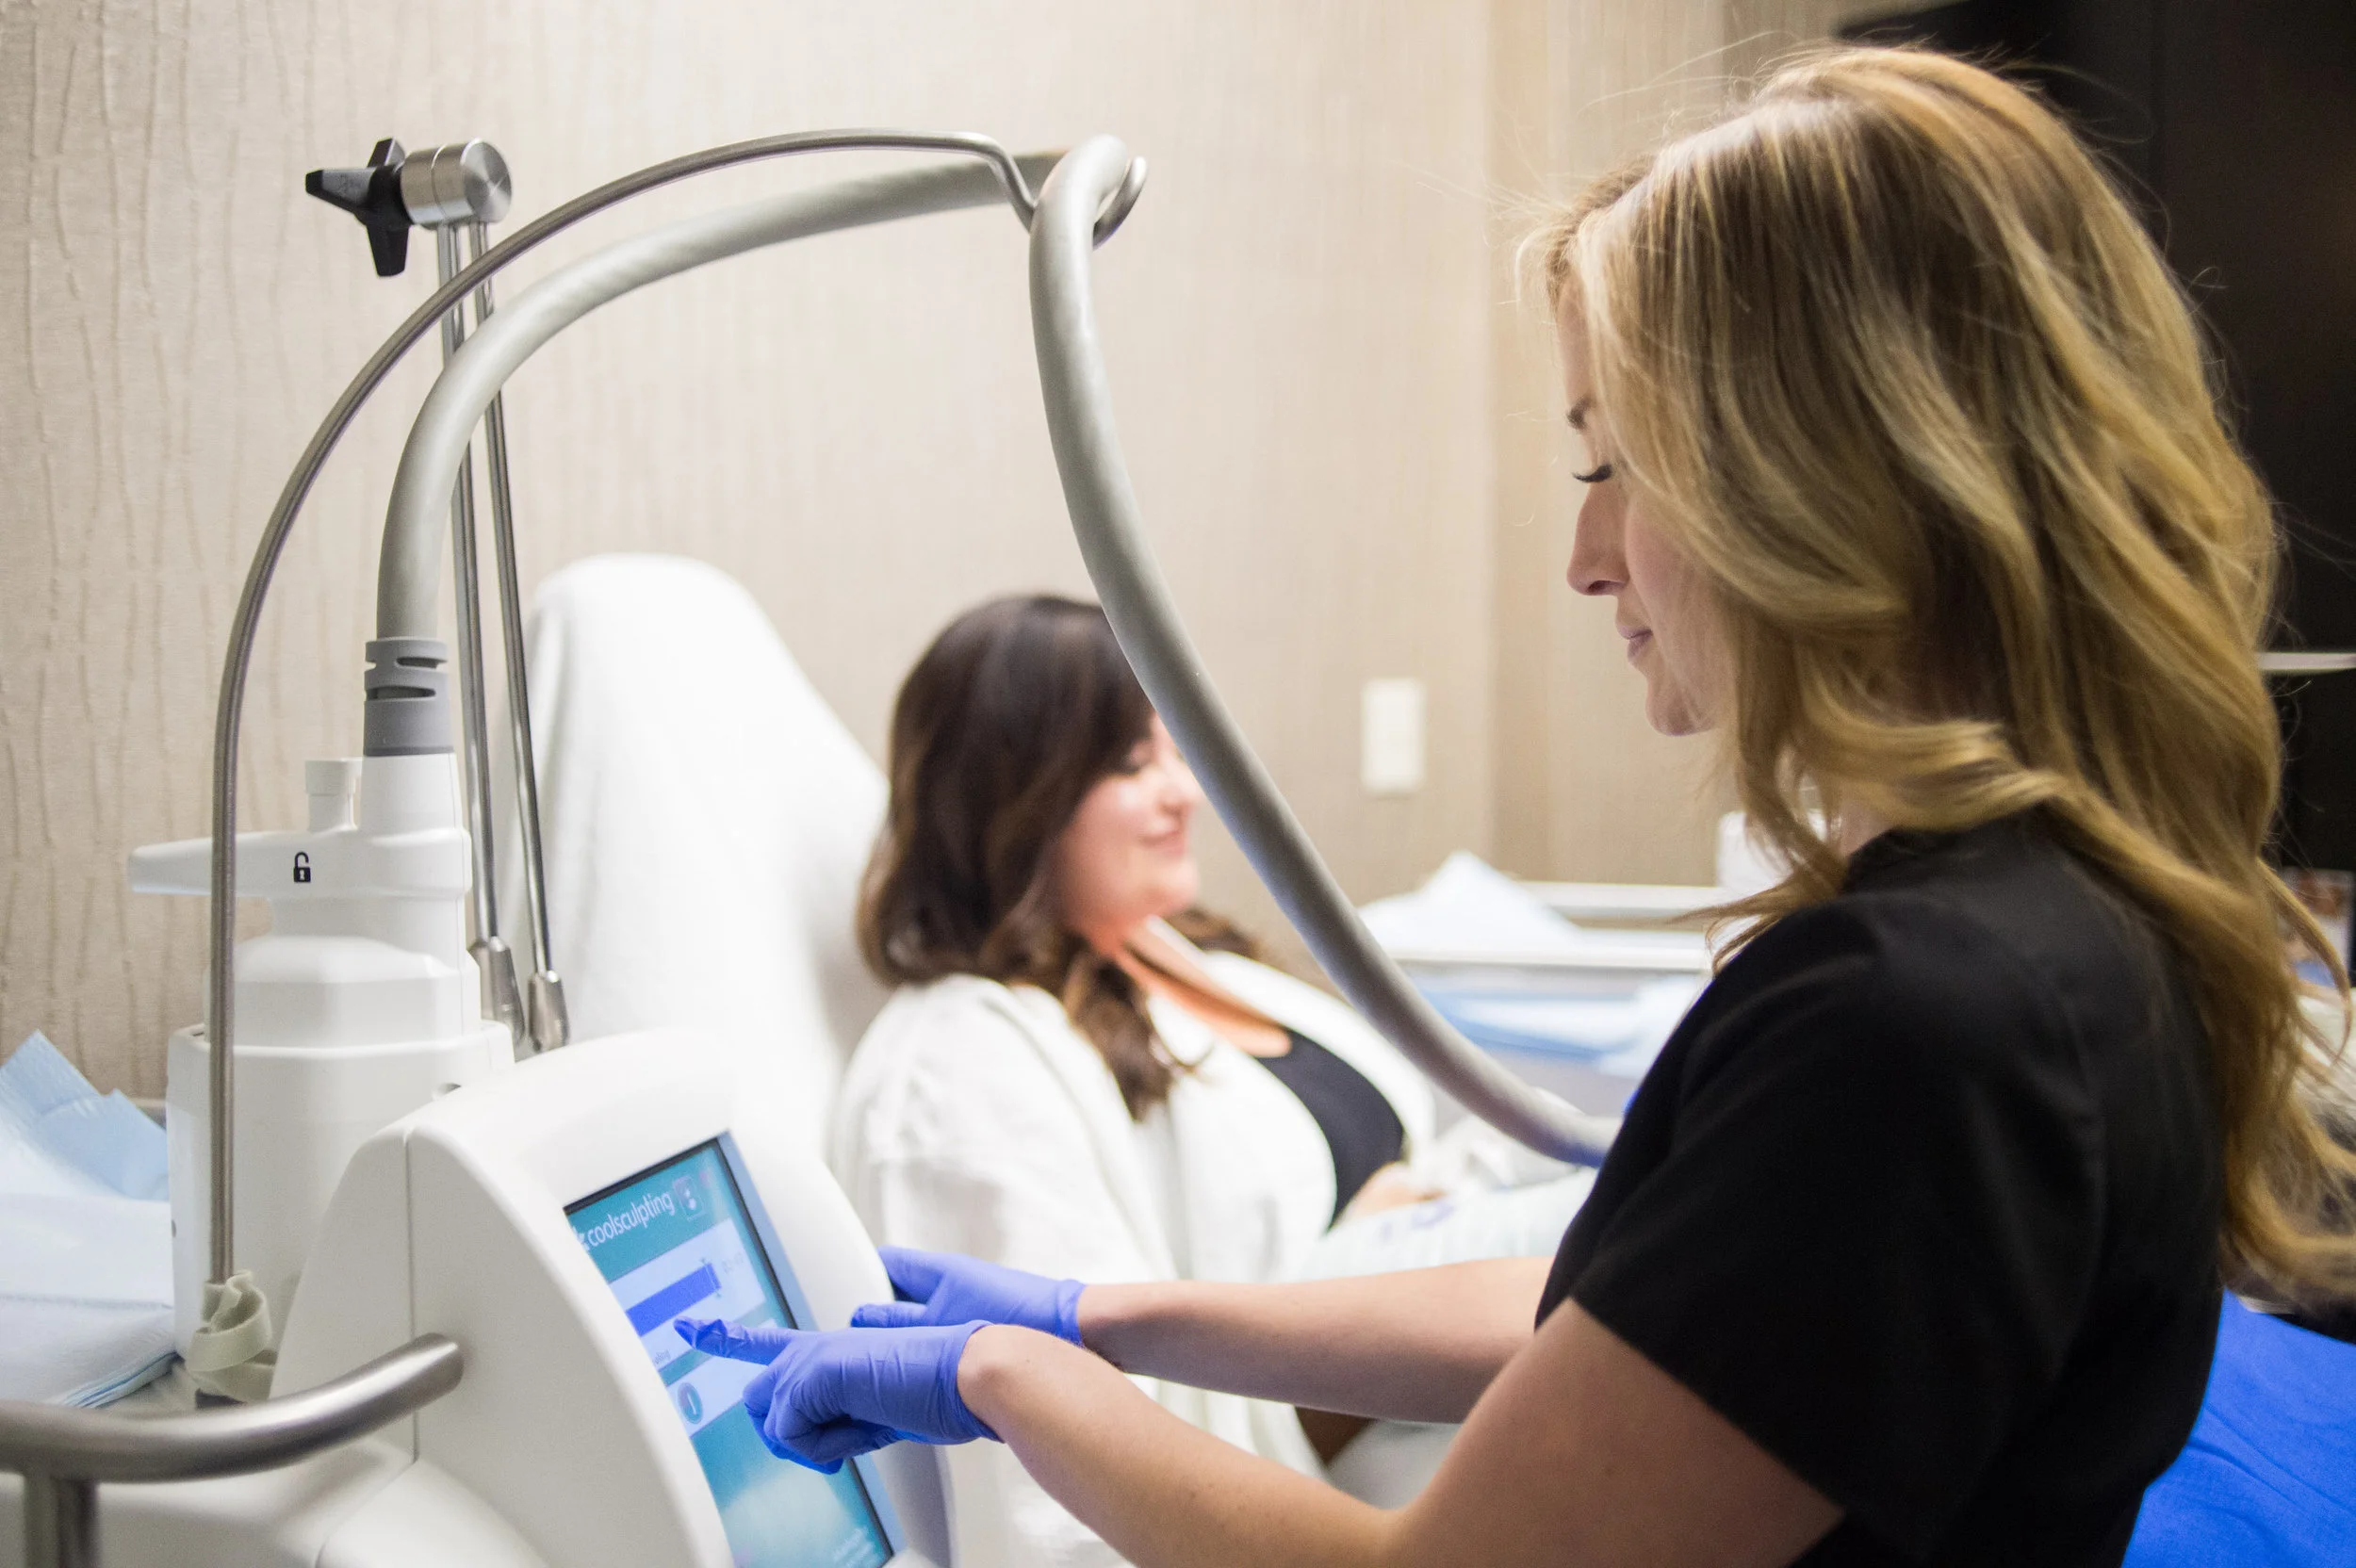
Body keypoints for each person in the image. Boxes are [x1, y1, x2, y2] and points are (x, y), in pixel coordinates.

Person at [680, 45, 2356, 1567]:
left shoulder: (1914, 1022)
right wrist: (1110, 1311)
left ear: (1813, 467)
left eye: (1608, 460)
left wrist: (1007, 1372)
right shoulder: (2063, 919)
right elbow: (1635, 1326)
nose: (1584, 555)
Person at [828, 594, 1586, 1564]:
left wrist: (1425, 1193)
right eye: (1130, 764)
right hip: (1332, 1451)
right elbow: (1038, 1472)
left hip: (1461, 1360)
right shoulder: (959, 1060)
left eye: (1172, 749)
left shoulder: (1195, 961)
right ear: (1013, 789)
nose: (1182, 790)